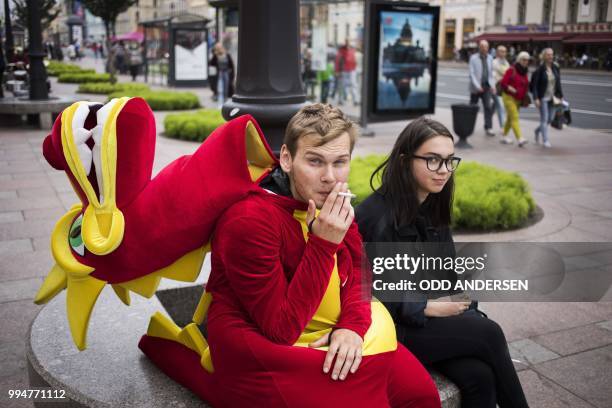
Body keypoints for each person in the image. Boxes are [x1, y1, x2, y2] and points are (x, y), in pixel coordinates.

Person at [140, 104, 441, 407]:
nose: (329, 177)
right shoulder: (249, 219)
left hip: (326, 322)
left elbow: (358, 273)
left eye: (340, 162)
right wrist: (323, 244)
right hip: (263, 338)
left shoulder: (334, 200)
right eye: (315, 161)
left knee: (422, 395)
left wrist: (350, 327)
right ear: (286, 158)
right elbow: (280, 328)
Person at [356, 117, 530, 408]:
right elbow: (369, 293)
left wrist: (461, 306)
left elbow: (446, 277)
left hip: (425, 319)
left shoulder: (431, 204)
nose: (444, 171)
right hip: (390, 328)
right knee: (490, 333)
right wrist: (427, 305)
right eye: (433, 160)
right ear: (404, 160)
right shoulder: (377, 216)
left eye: (450, 161)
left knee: (480, 375)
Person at [531, 48, 564, 148]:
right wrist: (536, 98)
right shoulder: (539, 70)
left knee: (550, 119)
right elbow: (534, 85)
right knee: (544, 119)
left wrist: (561, 95)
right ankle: (545, 140)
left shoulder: (555, 67)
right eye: (548, 55)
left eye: (552, 54)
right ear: (544, 56)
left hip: (553, 98)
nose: (550, 56)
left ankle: (537, 130)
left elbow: (558, 83)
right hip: (543, 98)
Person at [499, 51, 531, 146]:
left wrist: (524, 96)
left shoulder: (525, 71)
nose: (526, 62)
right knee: (515, 117)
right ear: (519, 60)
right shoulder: (511, 70)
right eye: (524, 60)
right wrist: (511, 89)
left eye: (527, 60)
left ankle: (504, 136)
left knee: (510, 118)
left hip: (519, 98)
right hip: (508, 96)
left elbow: (525, 85)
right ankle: (520, 138)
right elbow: (503, 83)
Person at [469, 40, 496, 137]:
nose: (484, 48)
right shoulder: (473, 58)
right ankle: (468, 127)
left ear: (488, 48)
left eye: (486, 47)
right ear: (479, 47)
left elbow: (492, 73)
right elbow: (471, 74)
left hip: (486, 86)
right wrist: (477, 86)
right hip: (476, 87)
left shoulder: (490, 58)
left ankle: (488, 127)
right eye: (482, 46)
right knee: (472, 108)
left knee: (488, 107)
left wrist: (493, 86)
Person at [335, 39, 358, 106]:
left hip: (352, 69)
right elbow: (337, 60)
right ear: (345, 42)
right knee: (342, 85)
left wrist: (355, 66)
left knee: (353, 85)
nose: (348, 43)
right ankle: (340, 100)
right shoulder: (341, 50)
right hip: (343, 70)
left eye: (349, 41)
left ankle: (355, 100)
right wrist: (337, 70)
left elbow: (354, 59)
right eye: (347, 41)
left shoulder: (352, 49)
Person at [492, 45, 510, 131]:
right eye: (501, 51)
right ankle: (502, 127)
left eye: (505, 51)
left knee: (493, 107)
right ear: (497, 52)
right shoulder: (494, 62)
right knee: (501, 107)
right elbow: (504, 72)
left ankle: (487, 122)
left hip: (503, 88)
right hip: (496, 87)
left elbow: (509, 74)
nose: (503, 53)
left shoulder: (506, 63)